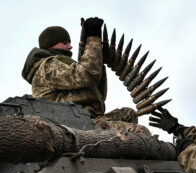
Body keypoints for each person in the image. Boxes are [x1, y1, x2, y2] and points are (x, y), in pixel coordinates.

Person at [22, 17, 150, 135]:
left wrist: (99, 60)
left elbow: (98, 96)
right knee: (141, 132)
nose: (70, 46)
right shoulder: (48, 66)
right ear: (51, 45)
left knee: (128, 114)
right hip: (76, 126)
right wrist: (93, 39)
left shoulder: (62, 65)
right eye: (65, 42)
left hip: (89, 119)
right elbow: (88, 74)